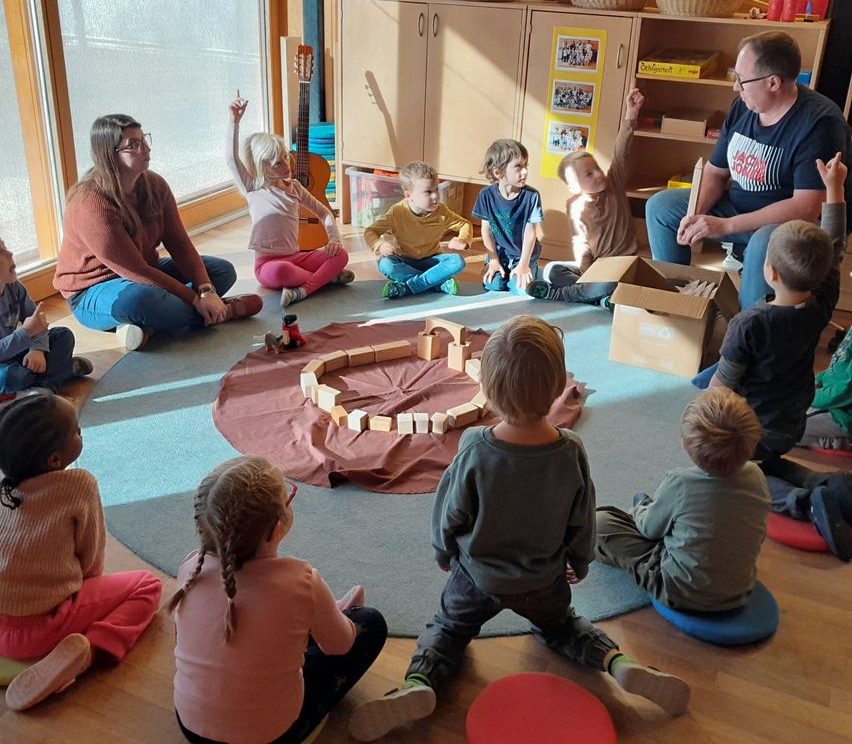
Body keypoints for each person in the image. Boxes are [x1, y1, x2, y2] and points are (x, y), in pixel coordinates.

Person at [347, 316, 690, 742]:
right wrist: (579, 562)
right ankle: (620, 665)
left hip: (477, 578)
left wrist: (443, 551)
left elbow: (449, 512)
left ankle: (419, 684)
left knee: (449, 630)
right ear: (555, 389)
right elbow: (582, 515)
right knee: (564, 627)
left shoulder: (474, 446)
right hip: (544, 580)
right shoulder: (571, 450)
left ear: (486, 391)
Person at [169, 455, 387, 744]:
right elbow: (341, 645)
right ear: (276, 528)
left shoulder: (189, 568)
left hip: (192, 728)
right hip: (274, 735)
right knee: (369, 622)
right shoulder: (302, 582)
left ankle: (321, 619)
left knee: (279, 630)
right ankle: (332, 618)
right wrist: (337, 620)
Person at [709, 151, 852, 560]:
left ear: (769, 273)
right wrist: (834, 188)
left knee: (736, 472)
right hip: (791, 420)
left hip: (756, 428)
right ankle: (821, 485)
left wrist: (703, 426)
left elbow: (722, 386)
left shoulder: (749, 325)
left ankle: (801, 504)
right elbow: (835, 245)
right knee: (766, 461)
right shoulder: (823, 304)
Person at [646, 31, 851, 310]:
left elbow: (807, 207)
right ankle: (674, 305)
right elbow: (716, 172)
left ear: (773, 82)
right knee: (661, 207)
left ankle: (746, 333)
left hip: (785, 224)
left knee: (764, 242)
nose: (735, 87)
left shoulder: (820, 124)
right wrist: (696, 213)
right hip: (738, 206)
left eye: (741, 80)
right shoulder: (744, 106)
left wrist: (725, 226)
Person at [0, 394, 162, 711]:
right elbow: (91, 561)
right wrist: (88, 594)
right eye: (77, 430)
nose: (80, 431)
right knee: (147, 585)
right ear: (55, 461)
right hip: (39, 629)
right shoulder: (79, 485)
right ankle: (91, 652)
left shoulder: (6, 488)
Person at [54, 114, 262, 351]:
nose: (146, 148)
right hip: (94, 290)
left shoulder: (155, 185)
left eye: (144, 139)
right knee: (144, 301)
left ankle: (151, 325)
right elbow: (136, 270)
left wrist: (206, 290)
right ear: (109, 154)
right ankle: (222, 311)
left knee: (221, 271)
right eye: (134, 145)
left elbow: (180, 244)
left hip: (145, 272)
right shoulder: (90, 203)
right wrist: (196, 299)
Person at [596, 387, 770, 612]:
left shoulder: (681, 483)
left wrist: (639, 512)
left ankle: (647, 507)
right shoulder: (756, 475)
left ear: (687, 445)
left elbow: (648, 530)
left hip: (680, 591)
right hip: (739, 590)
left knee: (600, 523)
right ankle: (658, 512)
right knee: (687, 521)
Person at [227, 96, 354, 309]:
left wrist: (334, 239)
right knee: (281, 271)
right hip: (268, 265)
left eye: (286, 157)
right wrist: (234, 122)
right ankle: (326, 279)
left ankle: (304, 289)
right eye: (278, 163)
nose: (287, 164)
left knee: (340, 255)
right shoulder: (254, 187)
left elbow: (325, 213)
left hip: (298, 258)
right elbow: (231, 158)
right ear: (261, 166)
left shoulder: (294, 186)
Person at [528, 88, 644, 307]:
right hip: (596, 268)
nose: (599, 175)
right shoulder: (574, 206)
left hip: (622, 266)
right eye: (589, 174)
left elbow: (622, 151)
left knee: (609, 284)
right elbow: (580, 242)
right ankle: (599, 300)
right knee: (553, 270)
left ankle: (564, 295)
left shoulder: (615, 185)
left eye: (597, 169)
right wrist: (587, 272)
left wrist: (631, 114)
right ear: (573, 186)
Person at [363, 161, 472, 299]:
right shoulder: (398, 211)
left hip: (432, 261)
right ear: (409, 195)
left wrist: (462, 239)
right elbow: (370, 231)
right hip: (405, 261)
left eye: (436, 189)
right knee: (385, 264)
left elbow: (465, 224)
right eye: (428, 192)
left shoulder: (442, 211)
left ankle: (408, 287)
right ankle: (435, 283)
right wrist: (380, 244)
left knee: (457, 261)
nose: (435, 196)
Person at [1, 237, 91, 395]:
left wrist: (38, 348)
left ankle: (44, 385)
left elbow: (38, 320)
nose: (10, 253)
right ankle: (62, 371)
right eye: (1, 252)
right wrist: (26, 332)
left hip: (17, 352)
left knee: (63, 335)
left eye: (6, 247)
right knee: (11, 377)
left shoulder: (13, 286)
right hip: (3, 364)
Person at [472, 139, 542, 294]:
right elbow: (486, 230)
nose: (525, 172)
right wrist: (493, 259)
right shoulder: (486, 195)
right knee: (493, 285)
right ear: (498, 172)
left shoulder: (531, 196)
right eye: (518, 167)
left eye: (526, 166)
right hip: (500, 253)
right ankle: (500, 268)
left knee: (520, 290)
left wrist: (524, 264)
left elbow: (530, 232)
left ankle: (531, 268)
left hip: (523, 254)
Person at [799, 326, 852, 453]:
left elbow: (846, 390)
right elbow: (837, 367)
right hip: (829, 399)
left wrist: (810, 396)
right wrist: (816, 380)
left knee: (777, 429)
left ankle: (839, 440)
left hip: (841, 413)